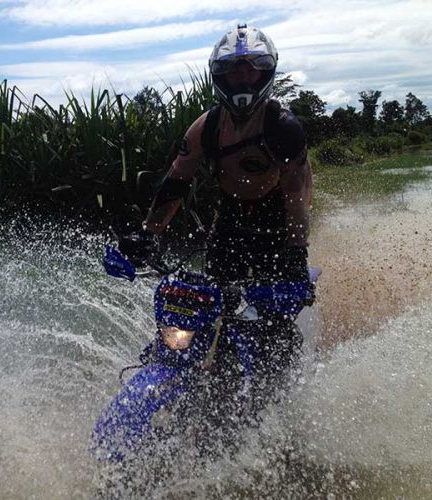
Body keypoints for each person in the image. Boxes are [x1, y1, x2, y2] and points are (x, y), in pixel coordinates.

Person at [119, 25, 314, 421]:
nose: (242, 78)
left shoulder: (283, 127)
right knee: (207, 315)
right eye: (233, 71)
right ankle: (203, 387)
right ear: (219, 77)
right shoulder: (205, 127)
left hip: (277, 233)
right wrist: (146, 235)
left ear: (266, 73)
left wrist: (296, 254)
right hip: (227, 230)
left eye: (251, 70)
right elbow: (175, 183)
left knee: (275, 326)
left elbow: (297, 196)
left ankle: (282, 405)